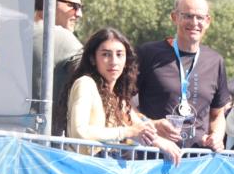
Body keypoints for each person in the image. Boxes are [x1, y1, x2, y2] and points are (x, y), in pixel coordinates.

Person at [53, 27, 180, 165]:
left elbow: (138, 126)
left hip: (103, 171)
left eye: (119, 54)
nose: (114, 61)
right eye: (106, 54)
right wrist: (127, 132)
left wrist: (160, 140)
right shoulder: (85, 84)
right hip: (84, 172)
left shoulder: (117, 96)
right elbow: (80, 132)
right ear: (92, 59)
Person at [136, 0, 230, 150]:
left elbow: (217, 114)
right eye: (187, 16)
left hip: (196, 162)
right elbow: (124, 104)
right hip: (152, 158)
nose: (194, 23)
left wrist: (217, 136)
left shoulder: (215, 61)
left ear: (207, 21)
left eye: (200, 17)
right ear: (174, 17)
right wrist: (151, 124)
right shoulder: (148, 53)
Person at [33, 0, 83, 127]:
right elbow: (102, 84)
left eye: (80, 7)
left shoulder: (11, 33)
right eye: (72, 6)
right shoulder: (61, 37)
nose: (79, 14)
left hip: (1, 138)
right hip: (44, 143)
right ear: (48, 3)